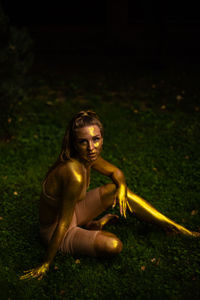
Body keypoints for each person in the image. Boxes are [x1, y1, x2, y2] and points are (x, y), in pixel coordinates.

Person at [20, 110, 200, 280]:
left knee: (114, 190)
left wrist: (121, 189)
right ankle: (94, 227)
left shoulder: (88, 157)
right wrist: (45, 263)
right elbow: (64, 223)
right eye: (83, 141)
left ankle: (174, 227)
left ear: (102, 139)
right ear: (74, 144)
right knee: (114, 245)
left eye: (96, 139)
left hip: (74, 213)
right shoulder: (73, 172)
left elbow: (116, 173)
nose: (91, 147)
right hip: (56, 231)